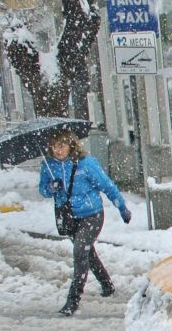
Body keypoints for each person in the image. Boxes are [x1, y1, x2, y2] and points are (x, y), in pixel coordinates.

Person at [39, 129, 132, 317]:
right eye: (54, 146)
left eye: (61, 146)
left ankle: (73, 300)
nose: (57, 150)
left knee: (80, 251)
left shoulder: (85, 164)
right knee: (87, 253)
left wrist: (122, 207)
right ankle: (107, 285)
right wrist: (50, 187)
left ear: (70, 145)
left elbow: (107, 186)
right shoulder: (48, 166)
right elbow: (43, 190)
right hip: (69, 217)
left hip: (92, 215)